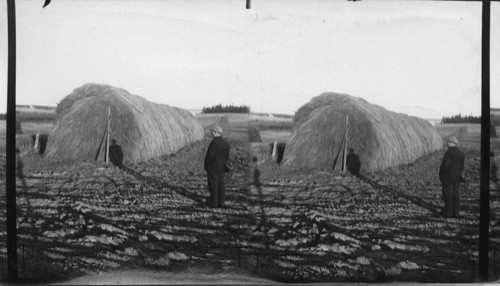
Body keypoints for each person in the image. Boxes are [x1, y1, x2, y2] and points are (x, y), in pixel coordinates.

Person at [204, 125, 230, 208]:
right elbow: (227, 157)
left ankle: (214, 203)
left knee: (214, 185)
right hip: (222, 167)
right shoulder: (226, 143)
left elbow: (210, 156)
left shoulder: (214, 142)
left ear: (216, 133)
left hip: (213, 167)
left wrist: (207, 165)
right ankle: (221, 202)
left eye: (212, 132)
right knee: (221, 184)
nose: (211, 134)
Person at [439, 136, 465, 218]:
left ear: (451, 143)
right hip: (457, 177)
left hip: (448, 177)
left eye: (448, 142)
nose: (447, 143)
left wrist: (441, 175)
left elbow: (445, 166)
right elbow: (462, 167)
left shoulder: (449, 153)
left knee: (448, 195)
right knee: (456, 194)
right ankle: (456, 212)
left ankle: (448, 213)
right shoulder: (461, 153)